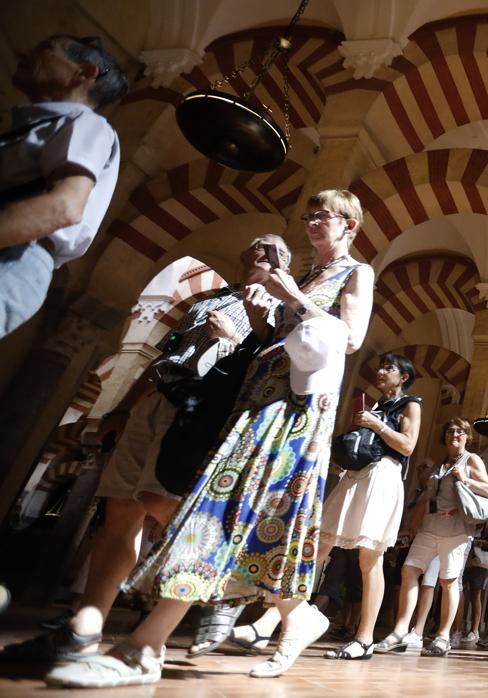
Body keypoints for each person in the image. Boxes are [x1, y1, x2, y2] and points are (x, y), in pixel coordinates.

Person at [44, 189, 375, 688]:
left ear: (349, 224)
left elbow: (349, 339)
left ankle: (145, 646)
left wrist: (293, 298)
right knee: (243, 514)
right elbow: (275, 341)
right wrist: (262, 314)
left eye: (323, 215)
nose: (311, 222)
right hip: (257, 400)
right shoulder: (306, 274)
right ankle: (296, 615)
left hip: (295, 411)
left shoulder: (356, 273)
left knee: (218, 510)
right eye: (308, 214)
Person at [0, 236, 290, 664]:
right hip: (159, 402)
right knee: (120, 508)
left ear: (285, 262)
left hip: (204, 415)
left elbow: (266, 375)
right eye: (253, 247)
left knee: (168, 507)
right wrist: (123, 408)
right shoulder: (206, 301)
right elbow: (164, 357)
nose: (259, 252)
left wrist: (230, 339)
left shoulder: (279, 312)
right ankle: (85, 627)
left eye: (271, 248)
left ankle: (244, 599)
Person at [1, 35, 125, 337]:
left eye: (46, 49)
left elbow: (64, 206)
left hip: (13, 256)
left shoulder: (86, 124)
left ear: (84, 73)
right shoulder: (42, 125)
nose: (23, 50)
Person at [317, 354, 422, 659]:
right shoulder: (374, 404)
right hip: (355, 476)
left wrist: (376, 424)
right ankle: (281, 620)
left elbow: (408, 445)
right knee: (320, 544)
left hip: (382, 476)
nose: (380, 371)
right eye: (381, 366)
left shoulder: (410, 403)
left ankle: (364, 639)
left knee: (369, 558)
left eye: (389, 368)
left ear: (403, 377)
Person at [379, 417, 488, 658]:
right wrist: (410, 526)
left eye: (460, 431)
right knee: (409, 570)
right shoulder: (441, 464)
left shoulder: (471, 460)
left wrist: (465, 479)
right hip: (429, 527)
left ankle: (442, 636)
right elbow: (426, 498)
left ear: (467, 436)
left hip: (456, 529)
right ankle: (400, 630)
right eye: (450, 430)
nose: (454, 434)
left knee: (448, 581)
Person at [464, 520, 488, 645]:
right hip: (465, 560)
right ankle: (456, 628)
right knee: (459, 592)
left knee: (475, 595)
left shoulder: (487, 525)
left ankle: (474, 630)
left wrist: (477, 542)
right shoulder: (467, 522)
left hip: (479, 563)